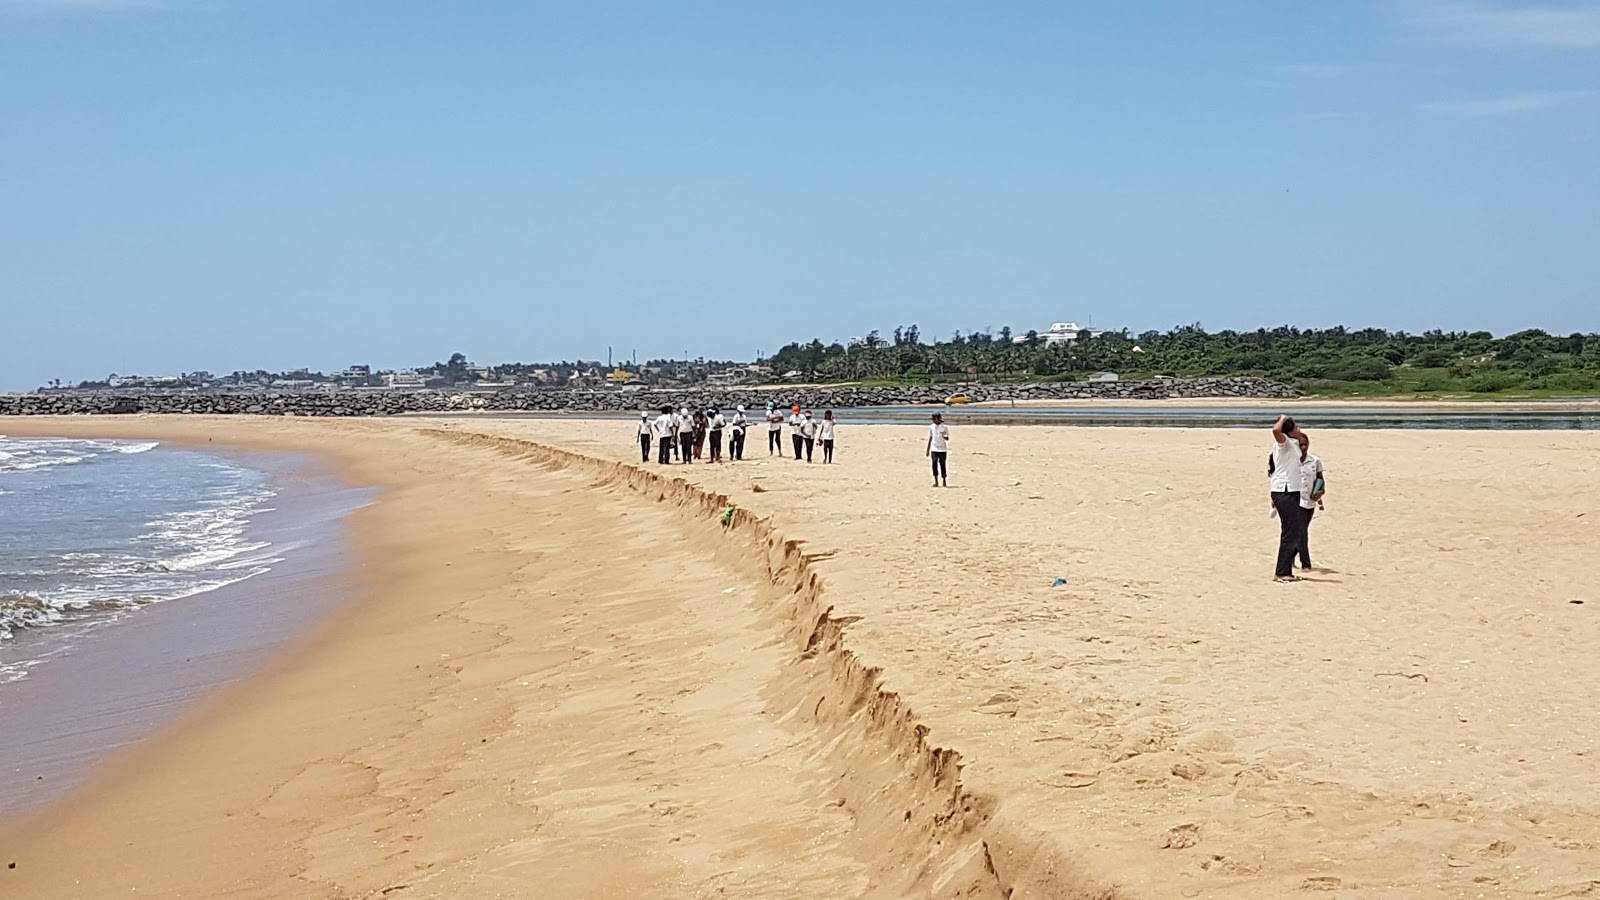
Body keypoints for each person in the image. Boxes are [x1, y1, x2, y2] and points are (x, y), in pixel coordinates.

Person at [1269, 415, 1307, 582]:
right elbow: (1275, 430)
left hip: (1291, 489)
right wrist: (1283, 418)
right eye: (1296, 427)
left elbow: (1304, 440)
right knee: (1290, 532)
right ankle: (1282, 572)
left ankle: (1285, 570)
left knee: (1294, 530)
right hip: (1284, 490)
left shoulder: (1293, 445)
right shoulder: (1284, 443)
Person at [1297, 434, 1326, 572]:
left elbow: (1320, 479)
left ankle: (1290, 557)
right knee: (1299, 531)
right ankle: (1305, 563)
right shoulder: (1290, 461)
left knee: (1300, 531)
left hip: (1310, 501)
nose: (1303, 447)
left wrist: (1320, 492)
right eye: (1300, 445)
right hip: (1293, 500)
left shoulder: (1315, 461)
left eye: (1305, 444)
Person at [926, 412, 950, 487]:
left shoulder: (944, 427)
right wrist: (928, 449)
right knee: (934, 463)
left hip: (943, 449)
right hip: (934, 448)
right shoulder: (931, 427)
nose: (933, 420)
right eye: (932, 419)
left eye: (934, 419)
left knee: (942, 464)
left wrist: (943, 435)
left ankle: (944, 480)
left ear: (938, 419)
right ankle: (936, 481)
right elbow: (930, 438)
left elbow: (947, 438)